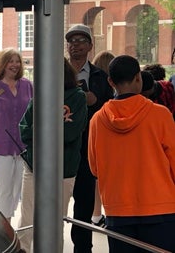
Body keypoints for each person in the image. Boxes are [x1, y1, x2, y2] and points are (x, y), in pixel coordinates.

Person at [88, 55, 175, 252]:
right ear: (139, 78)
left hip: (118, 210)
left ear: (110, 82)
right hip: (161, 208)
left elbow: (94, 168)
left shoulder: (97, 120)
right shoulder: (160, 115)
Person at [17, 58, 88, 252]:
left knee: (56, 219)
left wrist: (38, 132)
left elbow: (71, 133)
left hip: (63, 168)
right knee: (27, 217)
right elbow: (23, 130)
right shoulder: (38, 96)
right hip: (34, 166)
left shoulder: (78, 97)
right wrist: (51, 131)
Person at [65, 24, 113, 253]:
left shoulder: (100, 77)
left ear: (90, 47)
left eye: (81, 41)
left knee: (83, 206)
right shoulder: (54, 72)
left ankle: (83, 250)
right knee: (53, 205)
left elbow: (110, 111)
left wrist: (95, 102)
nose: (75, 45)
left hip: (86, 149)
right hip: (60, 148)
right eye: (72, 41)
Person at [0, 48, 33, 220]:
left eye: (17, 61)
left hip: (23, 147)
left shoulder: (27, 85)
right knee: (4, 191)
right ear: (3, 63)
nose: (15, 65)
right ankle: (4, 228)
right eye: (11, 61)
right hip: (0, 147)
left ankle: (11, 224)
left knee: (18, 191)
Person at [88, 50, 115, 228]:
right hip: (110, 138)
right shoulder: (112, 88)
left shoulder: (94, 82)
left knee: (95, 179)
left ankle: (96, 216)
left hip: (95, 136)